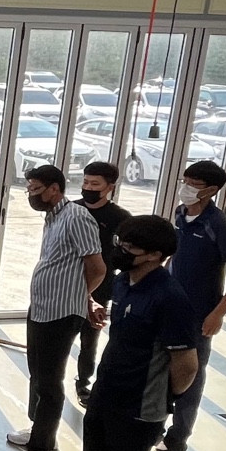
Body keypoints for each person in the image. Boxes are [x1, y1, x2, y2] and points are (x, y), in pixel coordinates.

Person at [60, 215, 198, 451]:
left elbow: (186, 365)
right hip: (105, 395)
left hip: (138, 409)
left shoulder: (170, 297)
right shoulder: (123, 282)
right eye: (120, 242)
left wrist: (162, 397)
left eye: (130, 247)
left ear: (155, 255)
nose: (121, 250)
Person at [6, 164, 105, 451]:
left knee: (50, 382)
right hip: (42, 309)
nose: (31, 195)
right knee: (37, 373)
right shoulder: (53, 218)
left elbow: (97, 267)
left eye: (36, 189)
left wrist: (82, 298)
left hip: (61, 314)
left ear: (54, 188)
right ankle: (40, 429)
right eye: (29, 189)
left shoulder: (76, 217)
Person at [160, 161, 226, 451]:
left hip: (199, 313)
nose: (185, 188)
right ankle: (155, 422)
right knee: (160, 367)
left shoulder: (219, 224)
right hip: (169, 306)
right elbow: (174, 256)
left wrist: (218, 313)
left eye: (193, 184)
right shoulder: (180, 213)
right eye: (184, 181)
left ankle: (178, 436)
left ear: (210, 190)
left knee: (191, 374)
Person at [75, 161, 133, 406]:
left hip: (100, 286)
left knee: (89, 339)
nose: (88, 188)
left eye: (95, 184)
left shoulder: (120, 218)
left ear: (110, 187)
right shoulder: (71, 209)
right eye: (85, 182)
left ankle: (83, 382)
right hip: (66, 283)